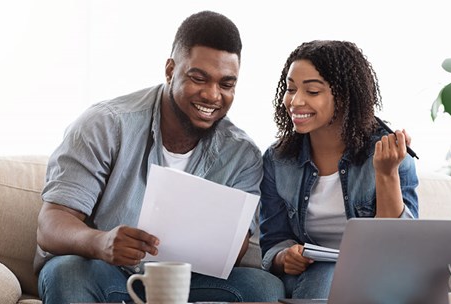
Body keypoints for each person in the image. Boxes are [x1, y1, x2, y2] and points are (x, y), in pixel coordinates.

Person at [35, 10, 284, 303]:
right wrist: (100, 242)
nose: (212, 95)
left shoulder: (243, 154)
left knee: (264, 288)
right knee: (66, 273)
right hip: (105, 272)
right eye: (198, 78)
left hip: (186, 282)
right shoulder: (106, 124)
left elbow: (235, 249)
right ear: (170, 71)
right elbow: (51, 223)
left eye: (226, 84)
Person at [259, 40, 419, 299]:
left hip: (372, 277)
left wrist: (387, 173)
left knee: (331, 275)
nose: (295, 101)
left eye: (312, 92)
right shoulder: (278, 160)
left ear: (344, 97)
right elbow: (274, 240)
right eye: (290, 89)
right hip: (307, 278)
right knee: (324, 274)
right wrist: (284, 257)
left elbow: (398, 250)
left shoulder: (388, 154)